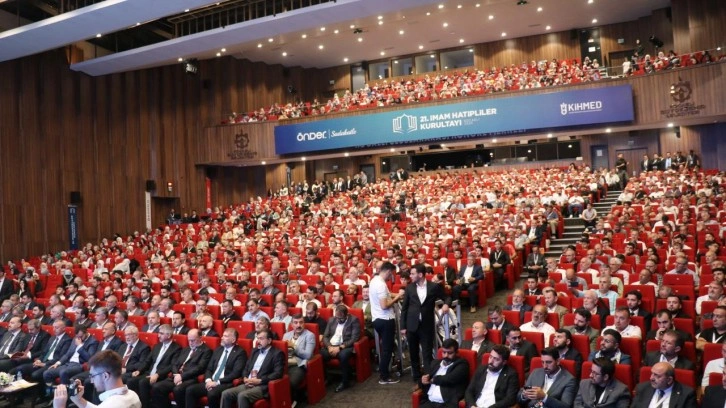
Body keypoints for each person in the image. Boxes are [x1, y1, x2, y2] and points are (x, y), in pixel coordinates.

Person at [52, 350, 142, 408]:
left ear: (105, 376)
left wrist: (59, 406)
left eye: (93, 376)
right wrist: (78, 399)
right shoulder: (133, 395)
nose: (91, 381)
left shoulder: (111, 404)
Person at [401, 264, 445, 383]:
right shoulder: (409, 288)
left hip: (426, 325)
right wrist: (403, 326)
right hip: (411, 325)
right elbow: (404, 308)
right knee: (413, 352)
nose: (410, 276)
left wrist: (446, 304)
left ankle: (427, 377)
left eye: (412, 274)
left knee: (427, 353)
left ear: (420, 275)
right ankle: (416, 378)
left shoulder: (434, 286)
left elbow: (447, 297)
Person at [220, 328, 285, 408]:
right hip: (248, 383)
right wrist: (245, 378)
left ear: (269, 340)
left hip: (262, 386)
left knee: (242, 396)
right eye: (258, 338)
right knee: (226, 393)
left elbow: (278, 373)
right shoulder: (255, 351)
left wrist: (260, 381)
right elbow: (246, 367)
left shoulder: (277, 354)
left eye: (261, 339)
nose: (258, 341)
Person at [184, 328, 247, 408]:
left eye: (225, 336)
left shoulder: (240, 352)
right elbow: (209, 368)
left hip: (224, 383)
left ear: (233, 340)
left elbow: (236, 373)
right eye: (222, 335)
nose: (222, 338)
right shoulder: (218, 349)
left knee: (212, 394)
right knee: (190, 390)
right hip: (211, 381)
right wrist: (208, 380)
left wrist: (217, 382)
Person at [150, 329, 213, 408]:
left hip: (190, 378)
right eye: (189, 340)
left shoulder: (206, 351)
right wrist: (176, 374)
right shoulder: (186, 349)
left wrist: (182, 377)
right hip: (176, 376)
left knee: (178, 389)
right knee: (157, 387)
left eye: (193, 340)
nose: (190, 343)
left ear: (200, 338)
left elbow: (199, 368)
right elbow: (175, 364)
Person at [370, 261, 403, 385]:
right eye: (392, 273)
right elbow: (384, 305)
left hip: (377, 319)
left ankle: (385, 372)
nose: (392, 276)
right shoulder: (381, 285)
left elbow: (387, 295)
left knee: (387, 348)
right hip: (385, 319)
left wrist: (398, 295)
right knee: (387, 350)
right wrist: (397, 298)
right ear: (388, 271)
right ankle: (384, 376)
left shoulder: (375, 281)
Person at [133, 325, 182, 408]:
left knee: (143, 382)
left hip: (162, 375)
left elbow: (172, 365)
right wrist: (139, 370)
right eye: (159, 333)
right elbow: (147, 361)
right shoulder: (157, 346)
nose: (158, 335)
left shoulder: (176, 348)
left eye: (161, 333)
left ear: (169, 335)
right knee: (131, 381)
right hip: (150, 373)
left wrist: (158, 374)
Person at [416, 338, 469, 408]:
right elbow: (425, 378)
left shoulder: (462, 364)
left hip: (446, 404)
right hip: (429, 402)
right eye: (444, 352)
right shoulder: (435, 363)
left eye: (450, 353)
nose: (446, 355)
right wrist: (423, 380)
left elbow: (450, 379)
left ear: (456, 353)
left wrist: (433, 380)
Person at [321, 305, 360, 392]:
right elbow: (325, 336)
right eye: (337, 317)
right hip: (332, 345)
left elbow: (355, 338)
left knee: (343, 356)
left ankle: (345, 381)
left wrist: (340, 347)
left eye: (341, 318)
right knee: (321, 354)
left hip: (345, 345)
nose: (338, 320)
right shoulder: (332, 320)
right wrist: (329, 346)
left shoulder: (353, 320)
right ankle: (327, 378)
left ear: (346, 315)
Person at [282, 314, 316, 404]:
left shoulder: (309, 335)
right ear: (291, 325)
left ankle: (291, 401)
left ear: (304, 323)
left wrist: (293, 347)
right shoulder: (286, 335)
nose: (298, 325)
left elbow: (308, 355)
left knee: (290, 383)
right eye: (296, 323)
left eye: (301, 322)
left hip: (298, 365)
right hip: (285, 363)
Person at [631, 362, 696, 408]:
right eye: (652, 374)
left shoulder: (686, 394)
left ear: (669, 380)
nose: (651, 378)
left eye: (657, 376)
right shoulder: (642, 388)